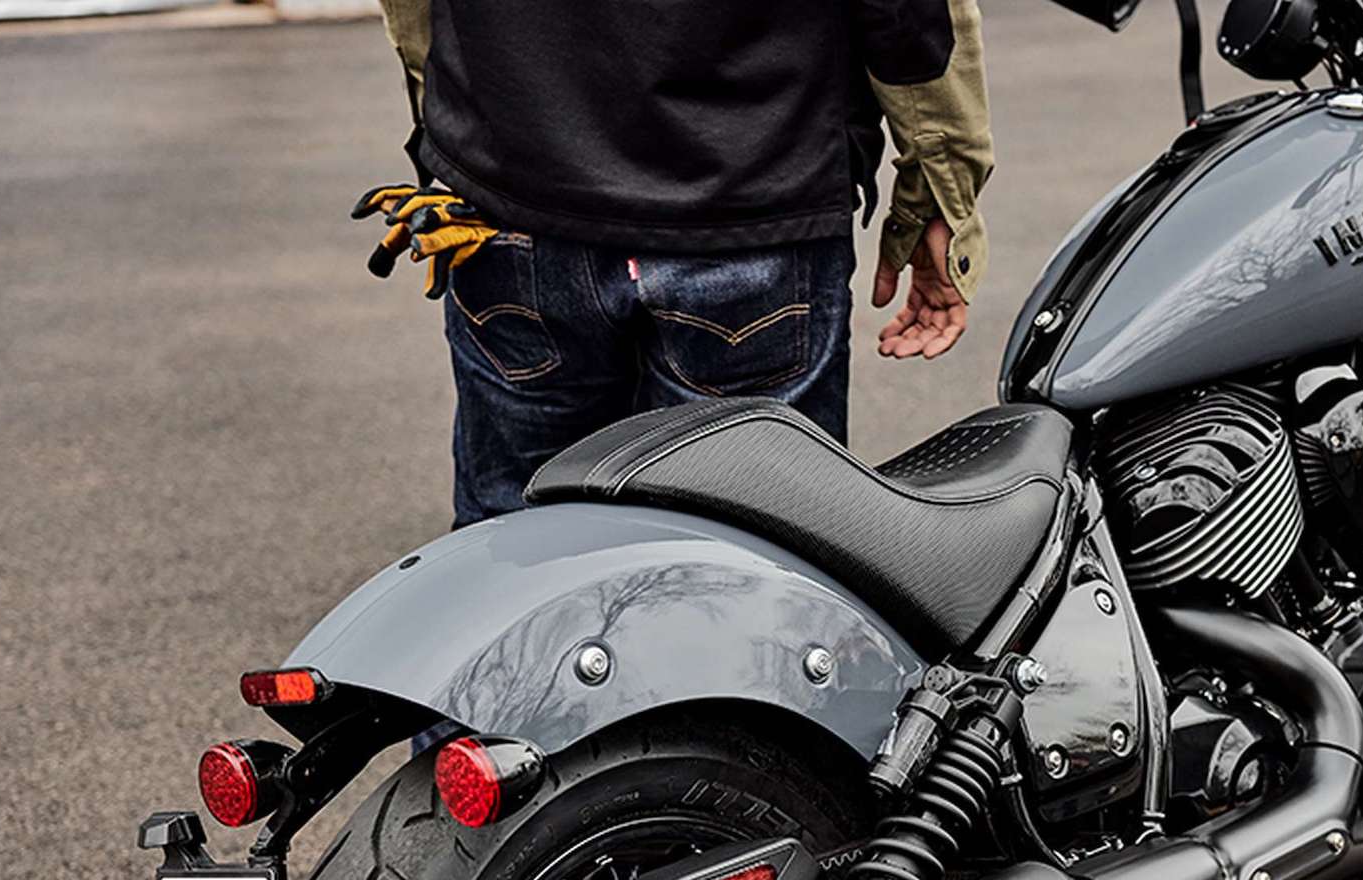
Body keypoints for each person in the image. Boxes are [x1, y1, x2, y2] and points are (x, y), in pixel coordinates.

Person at [357, 0, 994, 527]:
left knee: (512, 550)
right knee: (750, 553)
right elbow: (912, 16)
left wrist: (450, 129)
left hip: (514, 196)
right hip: (751, 203)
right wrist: (939, 196)